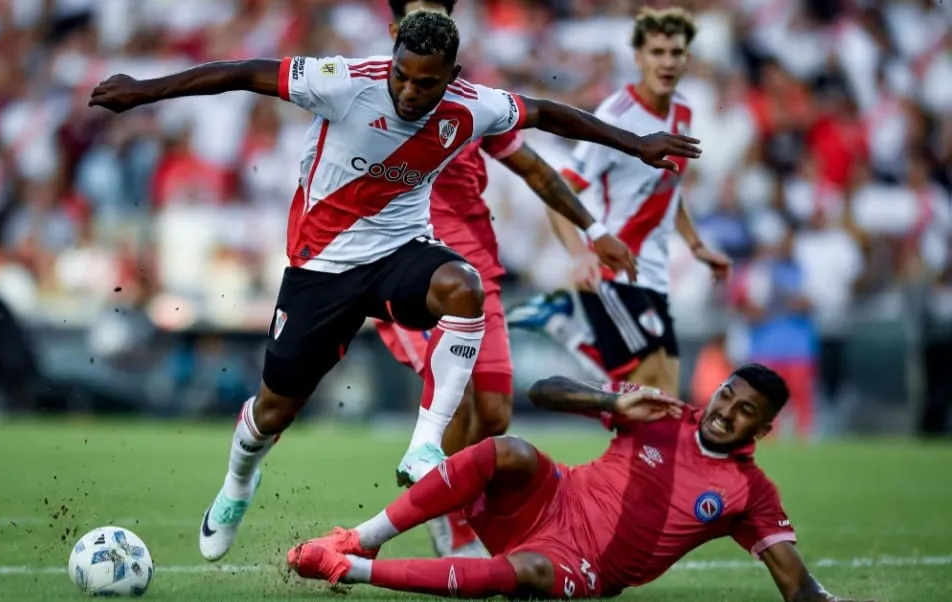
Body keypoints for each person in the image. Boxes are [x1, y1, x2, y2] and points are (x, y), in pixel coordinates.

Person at [88, 9, 701, 563]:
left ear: (451, 76)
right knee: (274, 411)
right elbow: (243, 72)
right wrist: (145, 91)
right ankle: (236, 484)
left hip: (399, 252)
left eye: (425, 83)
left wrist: (635, 144)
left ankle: (424, 447)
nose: (409, 92)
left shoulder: (473, 105)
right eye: (401, 76)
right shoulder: (344, 82)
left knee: (463, 286)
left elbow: (545, 113)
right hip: (322, 267)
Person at [376, 0, 629, 558]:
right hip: (409, 271)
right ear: (395, 30)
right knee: (459, 401)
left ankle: (450, 502)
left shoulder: (476, 104)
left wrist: (594, 229)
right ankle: (447, 519)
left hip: (476, 272)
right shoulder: (371, 95)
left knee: (493, 414)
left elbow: (534, 167)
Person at [287, 365, 867, 602]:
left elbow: (798, 587)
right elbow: (541, 391)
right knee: (508, 449)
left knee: (528, 574)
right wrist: (610, 400)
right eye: (726, 396)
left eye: (744, 412)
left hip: (583, 563)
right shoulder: (660, 411)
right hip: (554, 495)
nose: (725, 412)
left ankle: (347, 570)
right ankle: (361, 538)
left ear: (761, 430)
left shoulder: (751, 492)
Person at [507, 6, 731, 397]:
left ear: (687, 59)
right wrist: (581, 255)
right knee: (647, 396)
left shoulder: (682, 111)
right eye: (657, 52)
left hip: (653, 272)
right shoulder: (618, 117)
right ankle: (567, 327)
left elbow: (668, 189)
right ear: (638, 58)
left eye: (675, 53)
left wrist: (696, 245)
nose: (667, 62)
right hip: (616, 271)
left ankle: (566, 326)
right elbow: (558, 190)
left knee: (659, 396)